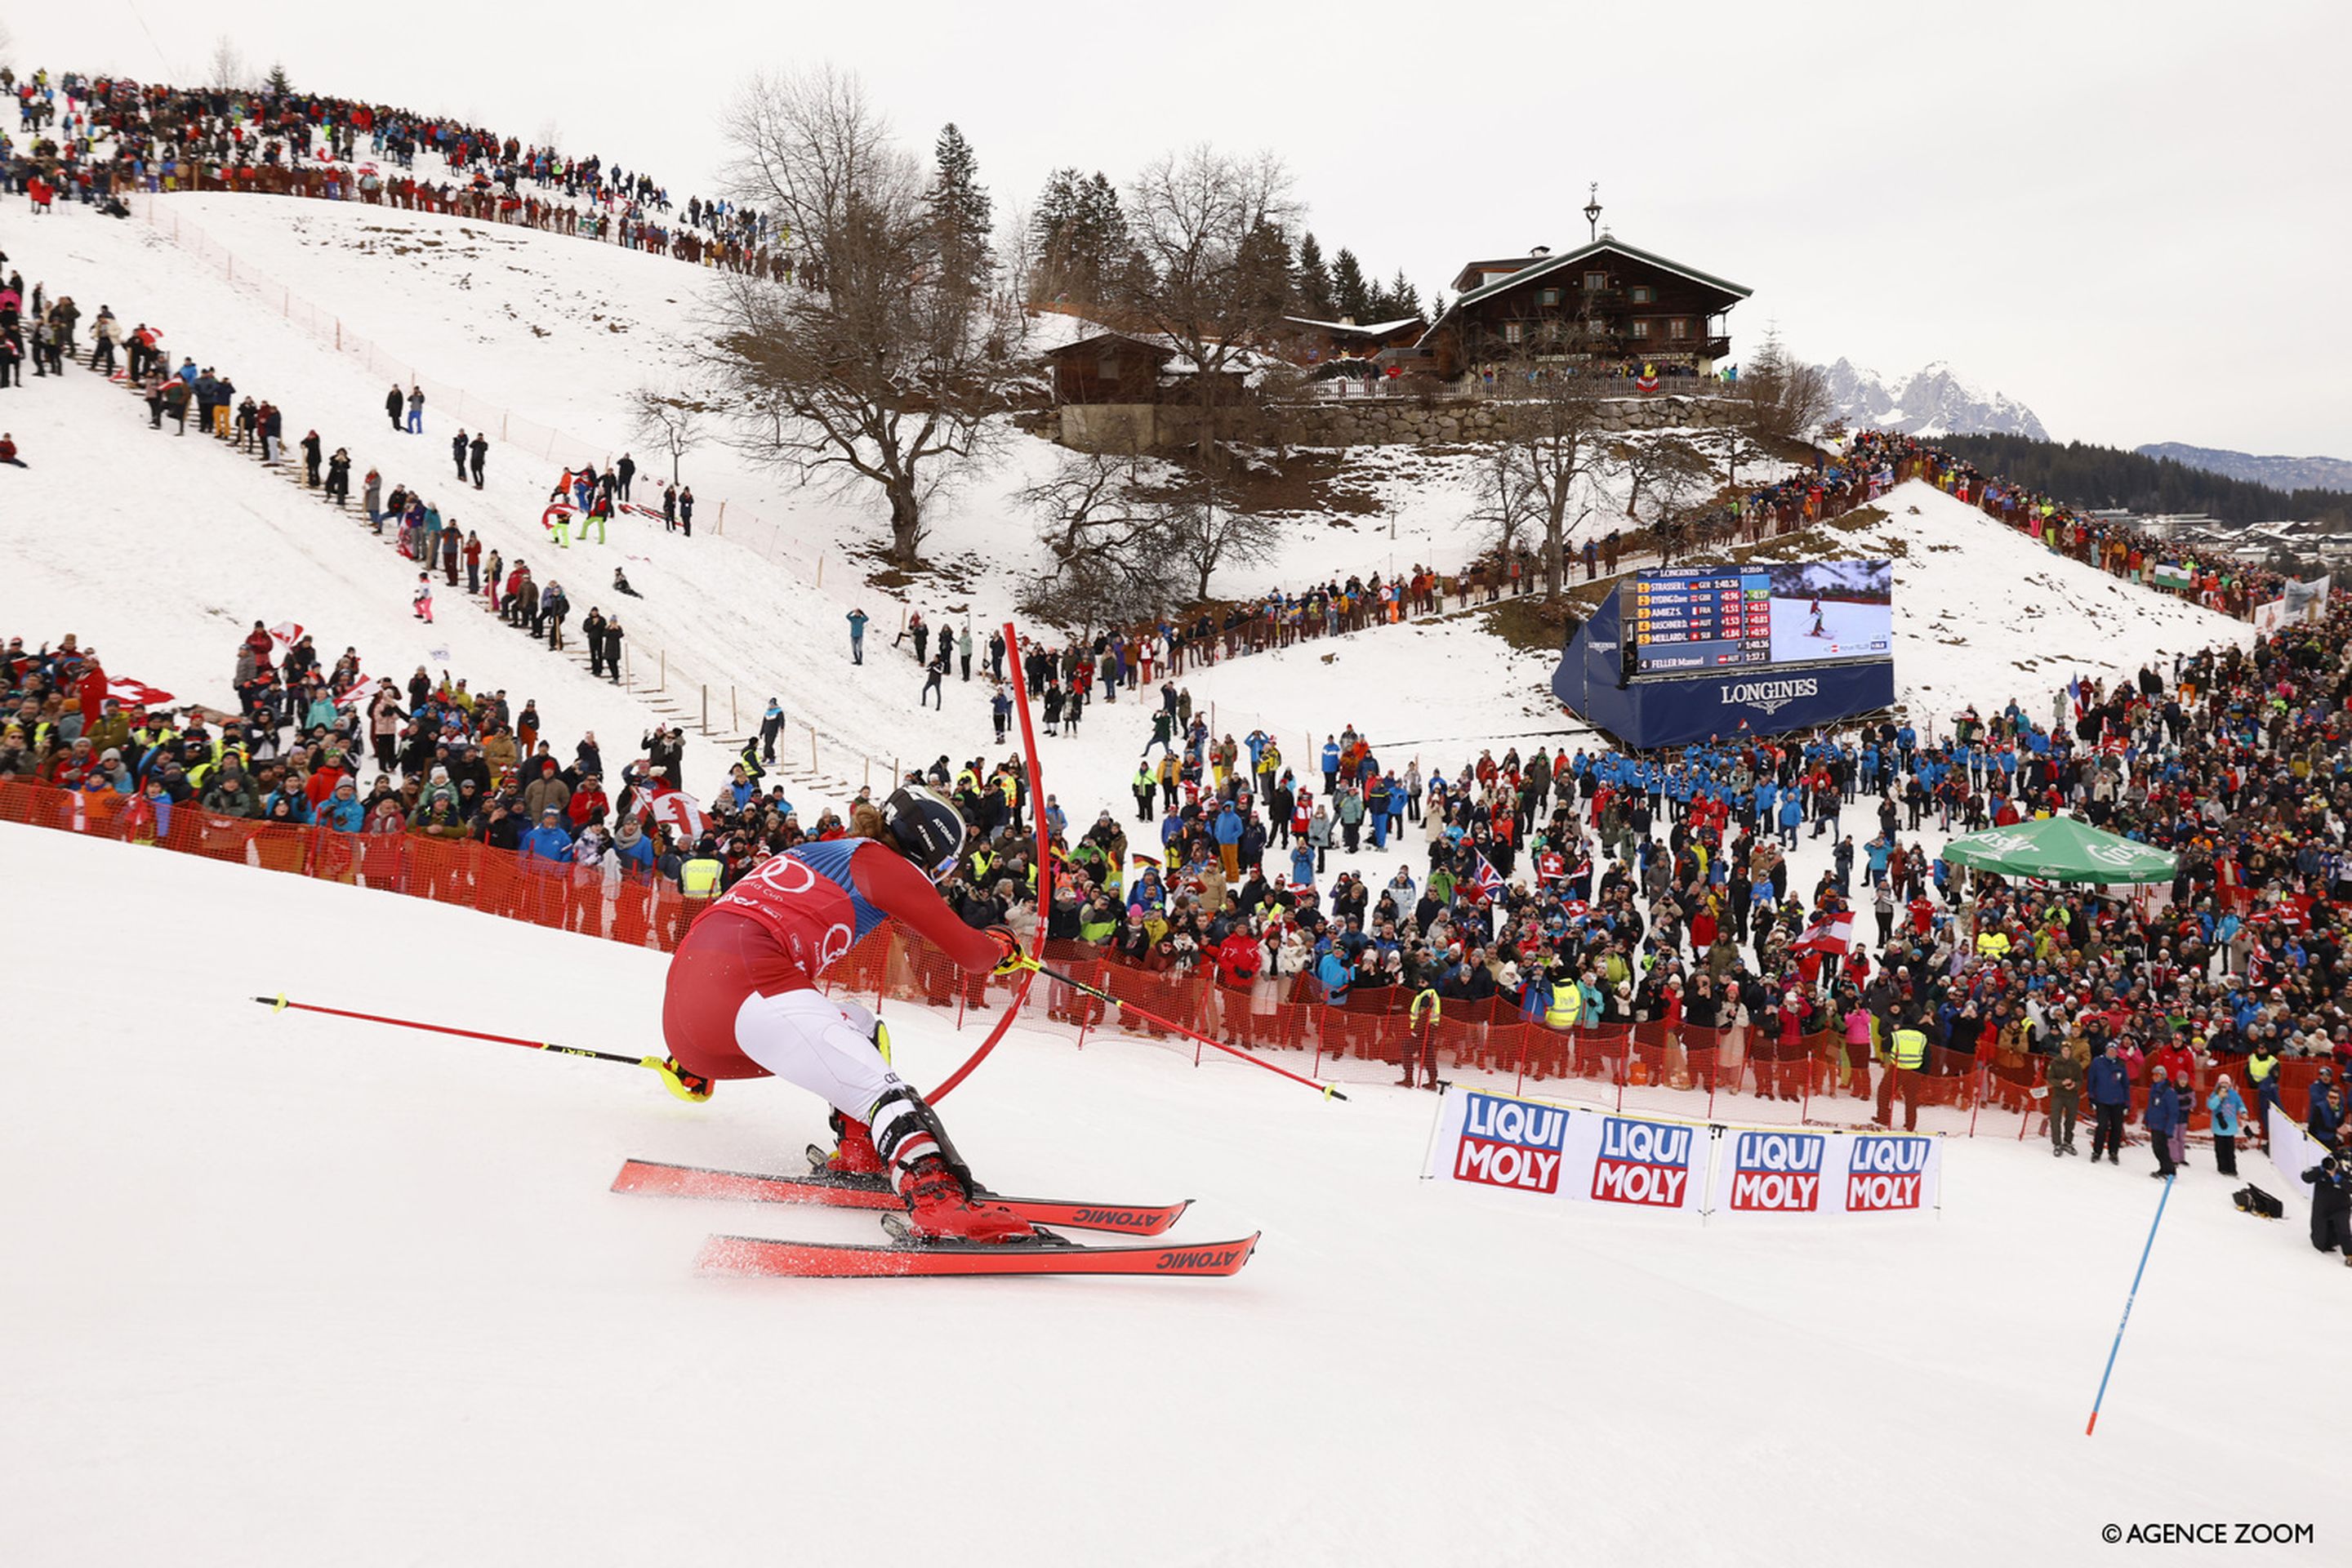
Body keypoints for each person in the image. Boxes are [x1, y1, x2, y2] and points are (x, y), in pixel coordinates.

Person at [657, 786, 1031, 1241]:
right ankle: (938, 1201)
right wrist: (1002, 945)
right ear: (929, 849)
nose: (944, 876)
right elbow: (972, 954)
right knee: (882, 1088)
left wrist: (697, 1046)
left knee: (859, 1025)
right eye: (947, 865)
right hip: (748, 981)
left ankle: (861, 1152)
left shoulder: (823, 851)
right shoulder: (885, 864)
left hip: (695, 1011)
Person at [2044, 1038, 2085, 1156]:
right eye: (2064, 1050)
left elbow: (2080, 1081)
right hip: (2058, 1095)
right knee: (2055, 1119)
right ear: (2061, 1051)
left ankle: (2068, 1142)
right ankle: (2057, 1143)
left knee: (2070, 1121)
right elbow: (2050, 1079)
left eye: (2068, 1050)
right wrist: (2061, 1083)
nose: (2066, 1052)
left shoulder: (2075, 1064)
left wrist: (2074, 1085)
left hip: (2072, 1096)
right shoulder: (2054, 1063)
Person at [2144, 1064, 2181, 1178]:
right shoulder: (2154, 1088)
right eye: (2154, 1075)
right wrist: (2147, 1119)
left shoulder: (2169, 1092)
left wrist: (2170, 1128)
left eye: (2157, 1075)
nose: (2155, 1077)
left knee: (2161, 1148)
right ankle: (2164, 1168)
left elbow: (2173, 1112)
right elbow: (2151, 1106)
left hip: (2163, 1125)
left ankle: (2169, 1170)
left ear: (2163, 1076)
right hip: (2155, 1123)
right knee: (2156, 1148)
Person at [2207, 1074, 2245, 1178]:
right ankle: (2222, 1167)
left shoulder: (2234, 1095)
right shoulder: (2215, 1094)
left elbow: (2240, 1104)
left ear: (2229, 1085)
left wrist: (2243, 1112)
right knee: (2220, 1149)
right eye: (2222, 1083)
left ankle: (2232, 1168)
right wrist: (2219, 1097)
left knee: (2230, 1150)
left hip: (2230, 1128)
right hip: (2218, 1127)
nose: (2224, 1086)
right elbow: (2211, 1105)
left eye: (2226, 1084)